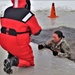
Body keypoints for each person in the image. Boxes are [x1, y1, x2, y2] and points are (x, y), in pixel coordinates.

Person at [1, 0, 41, 74]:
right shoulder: (27, 14)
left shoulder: (7, 10)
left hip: (3, 41)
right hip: (17, 43)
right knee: (29, 62)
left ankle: (10, 56)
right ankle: (13, 61)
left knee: (11, 37)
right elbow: (37, 32)